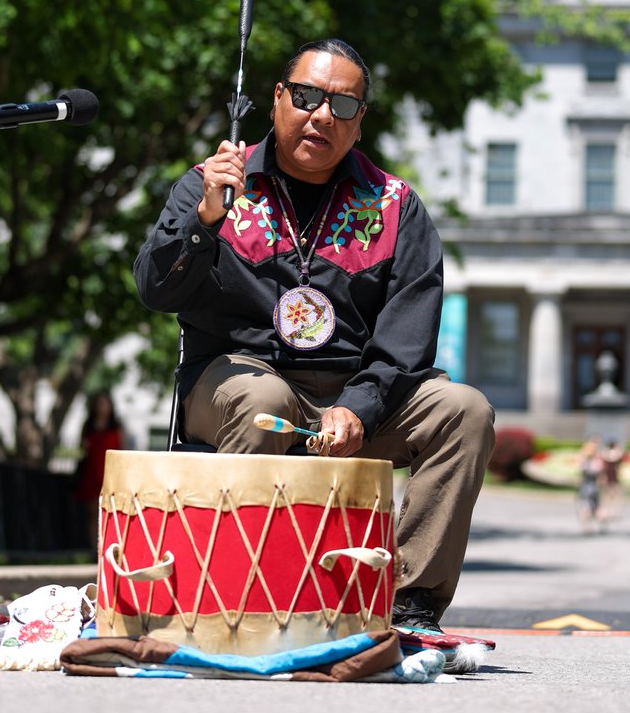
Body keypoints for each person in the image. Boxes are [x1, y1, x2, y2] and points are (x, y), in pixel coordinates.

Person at [134, 38, 495, 632]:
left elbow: (408, 336)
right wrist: (204, 222)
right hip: (235, 385)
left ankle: (407, 605)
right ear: (276, 99)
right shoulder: (209, 183)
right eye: (306, 97)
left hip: (353, 401)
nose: (321, 115)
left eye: (343, 106)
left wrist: (359, 405)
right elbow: (155, 289)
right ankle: (237, 599)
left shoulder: (395, 205)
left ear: (359, 124)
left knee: (464, 409)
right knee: (262, 400)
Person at [74, 389, 125, 553]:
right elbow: (82, 450)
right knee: (92, 514)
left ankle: (109, 548)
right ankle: (93, 550)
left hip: (110, 472)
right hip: (91, 472)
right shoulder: (88, 426)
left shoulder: (117, 427)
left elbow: (122, 449)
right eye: (99, 403)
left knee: (111, 513)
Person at [576, 437, 605, 531]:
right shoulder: (597, 461)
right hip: (594, 486)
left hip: (586, 486)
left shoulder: (584, 460)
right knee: (597, 506)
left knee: (585, 506)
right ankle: (602, 524)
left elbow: (580, 471)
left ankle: (587, 526)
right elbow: (600, 472)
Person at [599, 436, 624, 524]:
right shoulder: (607, 453)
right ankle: (609, 510)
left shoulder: (608, 453)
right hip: (609, 474)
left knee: (614, 494)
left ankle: (613, 511)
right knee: (609, 494)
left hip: (613, 474)